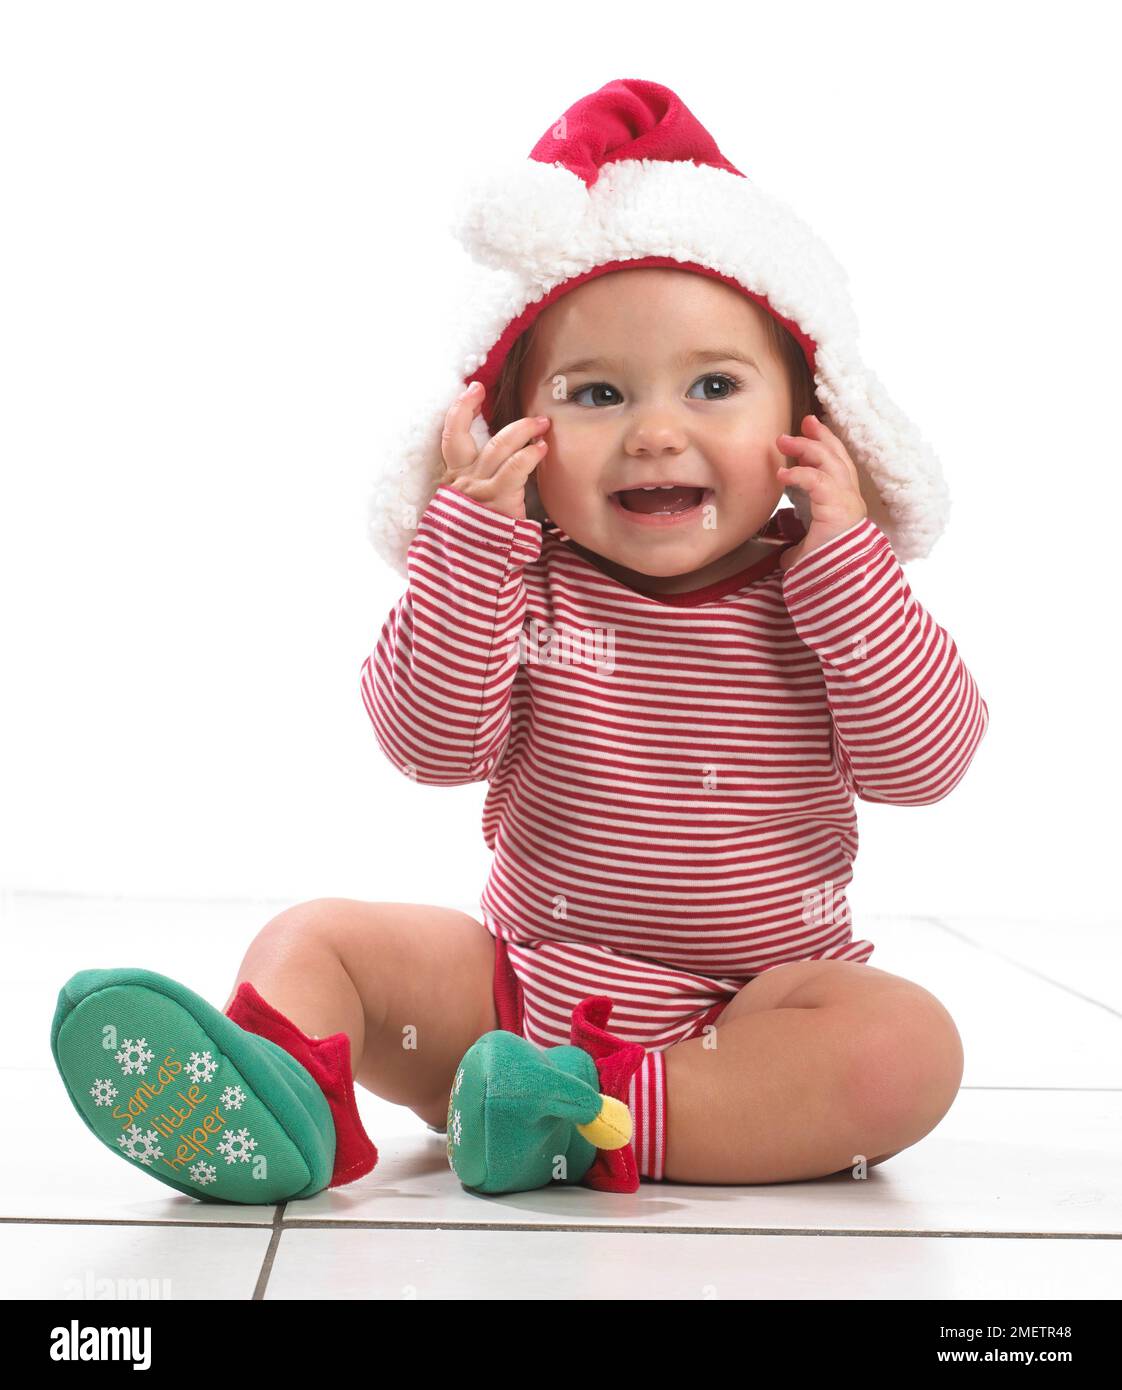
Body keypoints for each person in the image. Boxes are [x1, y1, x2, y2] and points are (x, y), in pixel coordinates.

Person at [52, 78, 988, 1204]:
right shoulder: (519, 581)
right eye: (595, 392)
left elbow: (923, 766)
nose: (653, 429)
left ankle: (590, 1119)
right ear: (516, 431)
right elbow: (431, 748)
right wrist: (469, 544)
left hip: (750, 1016)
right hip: (507, 1006)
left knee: (906, 1048)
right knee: (323, 936)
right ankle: (283, 1094)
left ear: (809, 422)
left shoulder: (826, 588)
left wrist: (849, 565)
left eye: (713, 386)